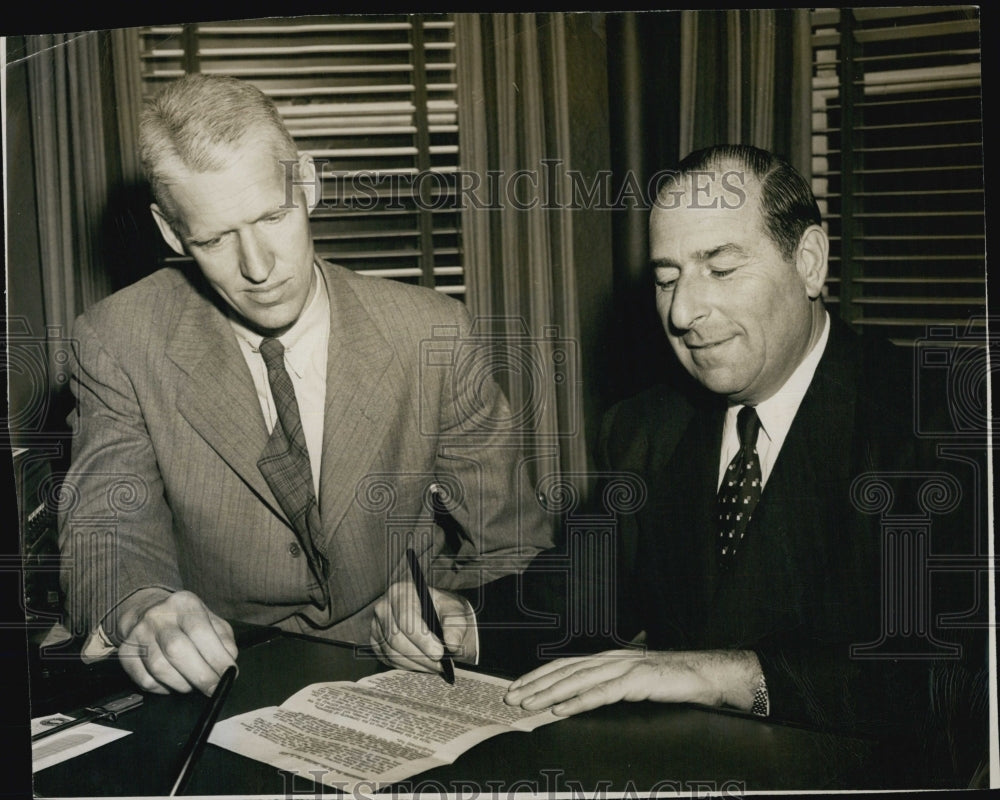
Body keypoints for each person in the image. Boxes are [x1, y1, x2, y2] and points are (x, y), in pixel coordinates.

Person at [57, 74, 553, 696]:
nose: (258, 268)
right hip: (215, 685)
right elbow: (106, 526)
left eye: (272, 215)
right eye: (213, 239)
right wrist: (141, 608)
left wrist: (449, 607)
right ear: (171, 233)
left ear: (309, 183)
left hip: (404, 678)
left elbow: (514, 548)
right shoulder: (118, 339)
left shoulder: (433, 331)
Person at [503, 145, 985, 776]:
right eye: (667, 277)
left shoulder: (939, 423)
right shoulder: (645, 426)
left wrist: (723, 674)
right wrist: (461, 621)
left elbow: (950, 684)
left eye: (721, 269)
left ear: (809, 263)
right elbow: (578, 592)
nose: (682, 313)